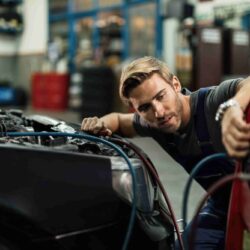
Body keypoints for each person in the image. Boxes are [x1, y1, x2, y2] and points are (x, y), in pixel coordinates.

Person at [81, 56, 250, 249]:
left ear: (175, 84)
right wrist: (99, 124)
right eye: (145, 107)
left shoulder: (211, 103)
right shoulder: (153, 125)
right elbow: (119, 120)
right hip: (223, 207)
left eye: (161, 96)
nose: (159, 112)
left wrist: (233, 106)